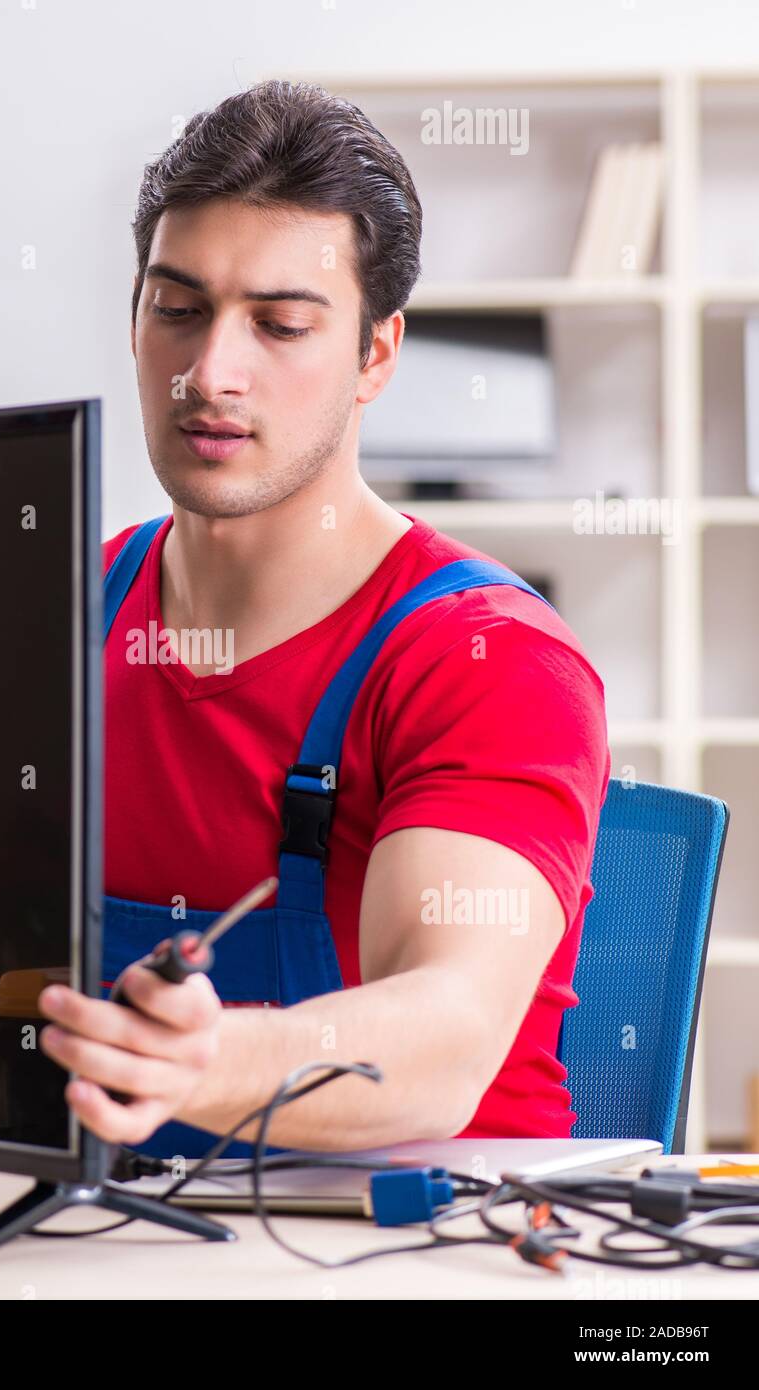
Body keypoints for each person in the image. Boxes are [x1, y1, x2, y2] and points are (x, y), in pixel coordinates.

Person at [37, 79, 610, 1159]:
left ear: (374, 355)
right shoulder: (65, 612)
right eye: (179, 309)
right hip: (123, 1225)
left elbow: (443, 1036)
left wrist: (206, 1063)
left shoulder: (486, 658)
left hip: (426, 1242)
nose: (211, 374)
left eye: (281, 324)